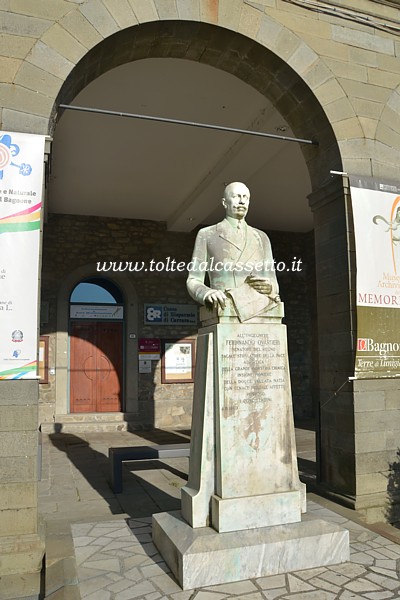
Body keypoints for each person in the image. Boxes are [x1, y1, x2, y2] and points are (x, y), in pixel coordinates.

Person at [187, 182, 280, 318]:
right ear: (225, 202)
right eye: (236, 196)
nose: (242, 201)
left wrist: (270, 288)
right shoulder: (207, 234)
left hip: (259, 307)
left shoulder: (261, 237)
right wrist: (207, 293)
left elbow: (273, 281)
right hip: (225, 305)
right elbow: (193, 280)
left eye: (245, 197)